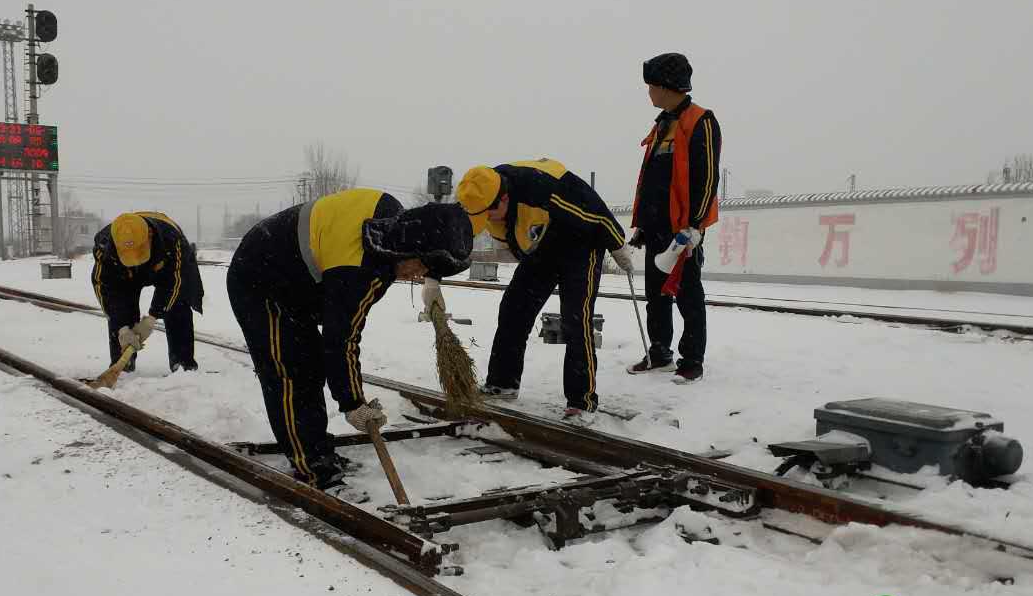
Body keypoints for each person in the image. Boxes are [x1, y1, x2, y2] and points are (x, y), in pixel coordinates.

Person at [227, 189, 472, 500]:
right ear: (408, 248)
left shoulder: (390, 229)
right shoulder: (360, 268)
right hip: (259, 280)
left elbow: (339, 335)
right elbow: (341, 339)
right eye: (420, 266)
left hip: (295, 278)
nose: (417, 275)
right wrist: (354, 403)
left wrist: (433, 284)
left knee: (310, 365)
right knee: (289, 372)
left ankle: (316, 449)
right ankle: (313, 468)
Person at [455, 159, 633, 423]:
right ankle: (503, 383)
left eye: (489, 213)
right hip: (542, 247)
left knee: (576, 319)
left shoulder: (542, 188)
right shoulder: (481, 192)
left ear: (503, 198)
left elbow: (596, 212)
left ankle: (581, 401)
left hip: (581, 244)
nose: (487, 219)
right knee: (514, 309)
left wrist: (618, 246)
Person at [626, 52, 722, 382]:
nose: (648, 92)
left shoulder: (701, 121)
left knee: (687, 292)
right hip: (655, 225)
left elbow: (707, 178)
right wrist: (641, 224)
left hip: (683, 227)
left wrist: (694, 225)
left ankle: (692, 359)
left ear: (666, 86)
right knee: (656, 293)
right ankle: (659, 352)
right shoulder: (662, 125)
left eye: (651, 85)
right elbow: (650, 180)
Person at [91, 211, 204, 373]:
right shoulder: (105, 246)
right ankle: (122, 363)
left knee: (178, 304)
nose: (135, 260)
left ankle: (182, 362)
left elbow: (174, 283)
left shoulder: (172, 240)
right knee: (122, 307)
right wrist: (122, 327)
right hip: (125, 275)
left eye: (139, 253)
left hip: (165, 267)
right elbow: (106, 290)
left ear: (150, 235)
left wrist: (151, 318)